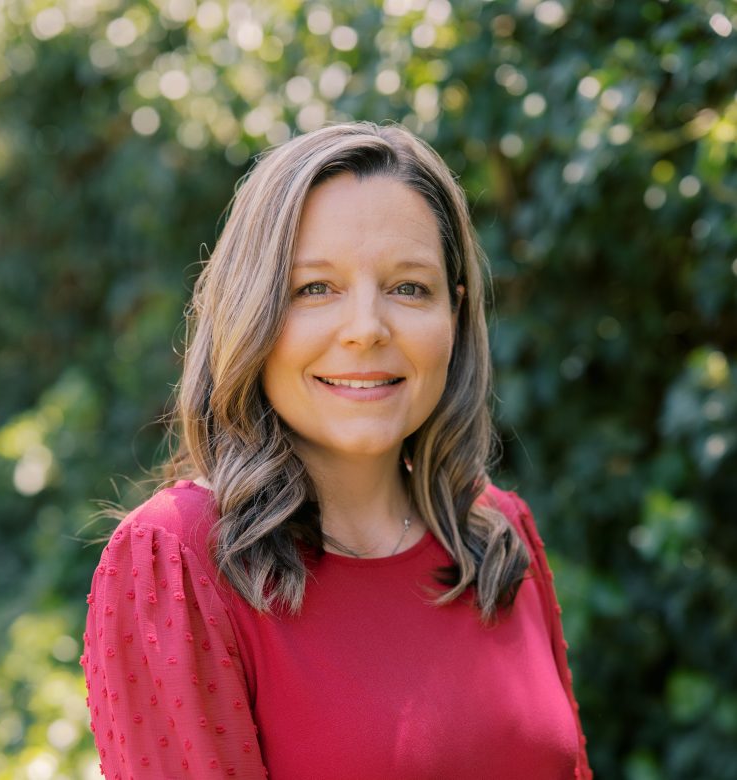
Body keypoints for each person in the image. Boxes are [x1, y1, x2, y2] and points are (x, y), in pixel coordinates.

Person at [82, 121, 591, 779]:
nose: (365, 330)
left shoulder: (495, 533)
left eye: (409, 287)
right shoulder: (178, 563)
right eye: (314, 288)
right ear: (251, 313)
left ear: (455, 317)